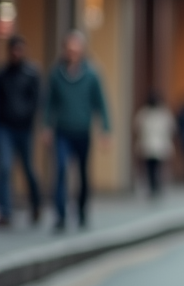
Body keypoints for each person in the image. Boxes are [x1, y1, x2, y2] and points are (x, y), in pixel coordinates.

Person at [44, 30, 110, 232]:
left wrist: (106, 129)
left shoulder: (91, 74)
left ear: (82, 50)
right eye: (69, 48)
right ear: (64, 50)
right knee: (62, 169)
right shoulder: (56, 73)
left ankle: (81, 211)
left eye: (76, 48)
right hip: (62, 131)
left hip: (82, 131)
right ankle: (61, 215)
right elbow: (48, 103)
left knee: (82, 173)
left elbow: (101, 103)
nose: (72, 52)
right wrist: (46, 126)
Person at [0, 36, 42, 226]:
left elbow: (38, 100)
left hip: (25, 129)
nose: (16, 53)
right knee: (5, 167)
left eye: (19, 50)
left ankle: (36, 204)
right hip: (6, 128)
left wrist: (28, 116)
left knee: (28, 169)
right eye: (13, 50)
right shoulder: (4, 74)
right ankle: (6, 212)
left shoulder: (32, 73)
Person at [134, 92, 175, 197]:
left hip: (149, 145)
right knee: (157, 167)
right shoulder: (163, 113)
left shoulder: (144, 113)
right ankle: (157, 186)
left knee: (150, 168)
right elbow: (171, 128)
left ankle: (154, 187)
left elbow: (137, 127)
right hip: (158, 145)